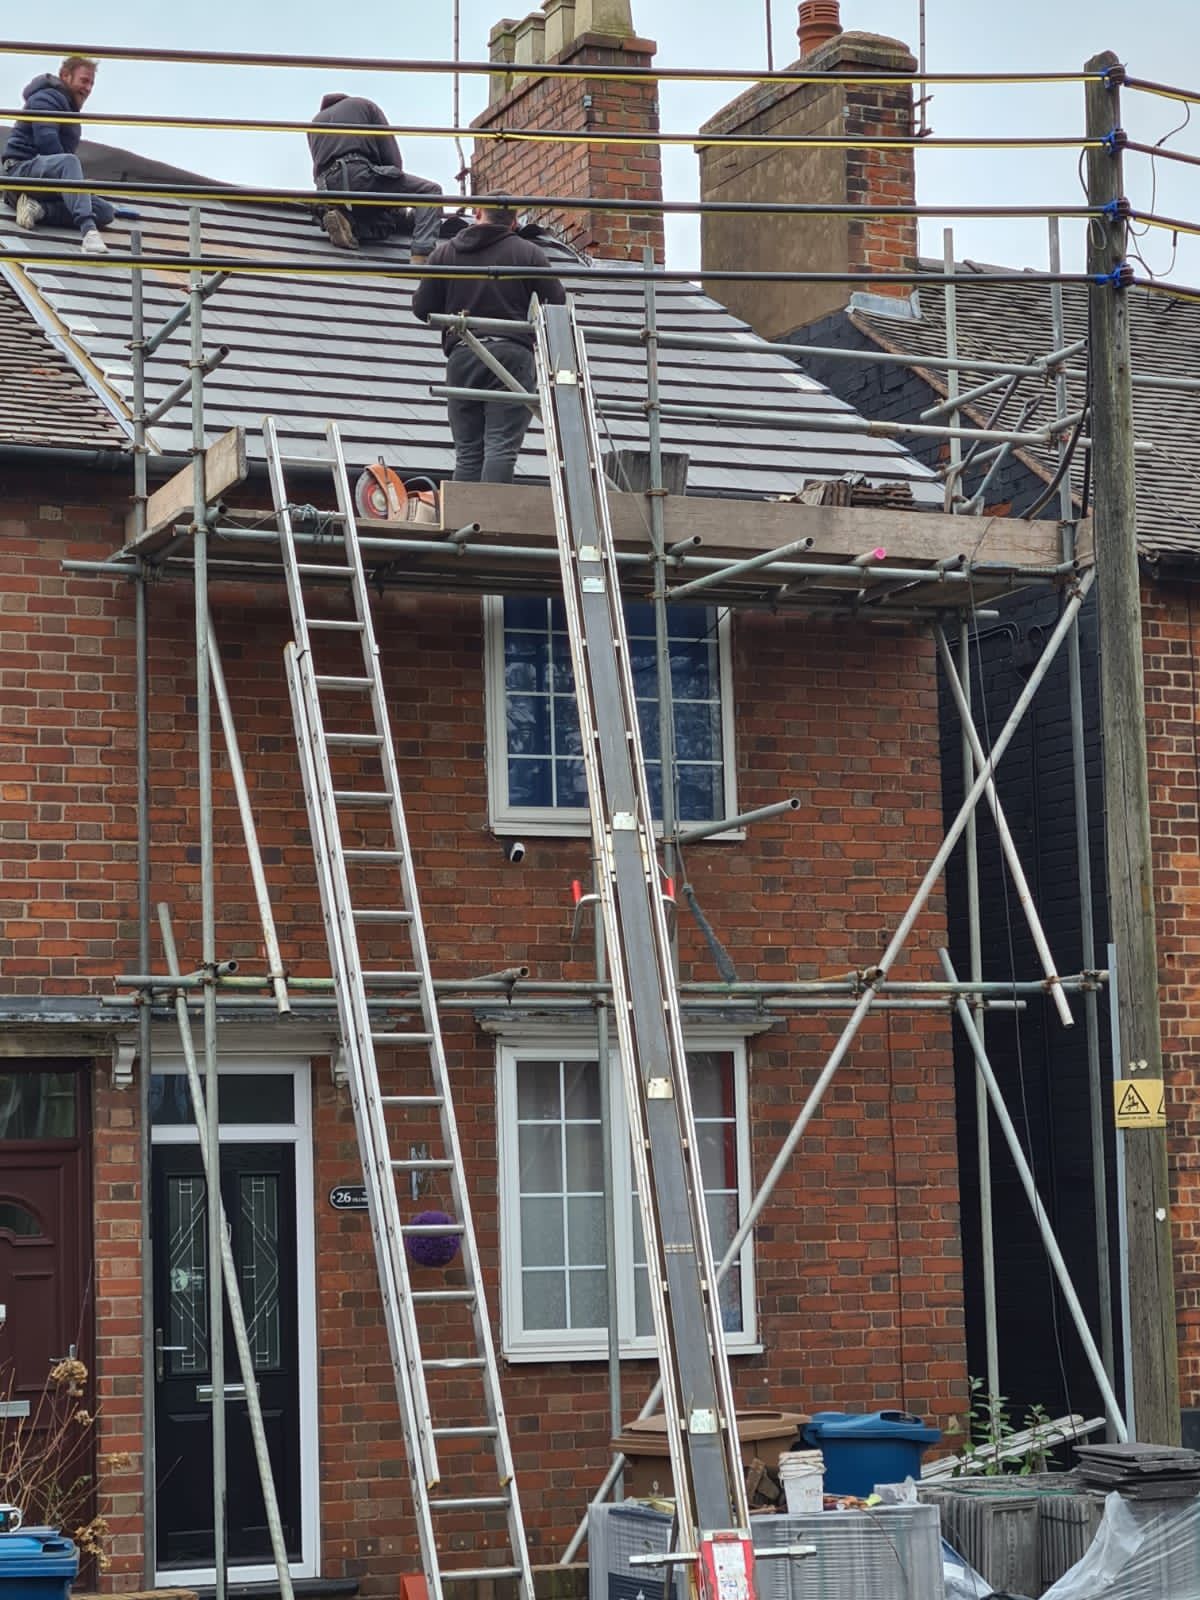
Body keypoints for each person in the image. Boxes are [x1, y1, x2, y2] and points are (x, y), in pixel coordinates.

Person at [412, 204, 566, 485]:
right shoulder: (528, 253)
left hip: (464, 356)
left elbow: (422, 308)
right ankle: (493, 521)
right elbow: (557, 303)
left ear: (478, 214)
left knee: (468, 453)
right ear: (514, 222)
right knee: (501, 447)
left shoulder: (446, 253)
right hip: (511, 354)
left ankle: (466, 518)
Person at [308, 93, 442, 259]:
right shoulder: (364, 105)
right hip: (357, 174)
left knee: (379, 220)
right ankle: (423, 254)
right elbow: (392, 158)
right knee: (430, 192)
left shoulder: (314, 124)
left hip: (328, 189)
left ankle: (347, 222)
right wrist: (396, 197)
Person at [3, 56, 113, 255]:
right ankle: (89, 233)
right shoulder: (46, 98)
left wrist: (78, 189)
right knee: (69, 163)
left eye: (91, 83)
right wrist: (74, 181)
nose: (88, 88)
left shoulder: (69, 110)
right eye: (84, 80)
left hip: (43, 183)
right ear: (65, 76)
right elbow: (48, 144)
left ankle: (38, 209)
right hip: (20, 173)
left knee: (105, 211)